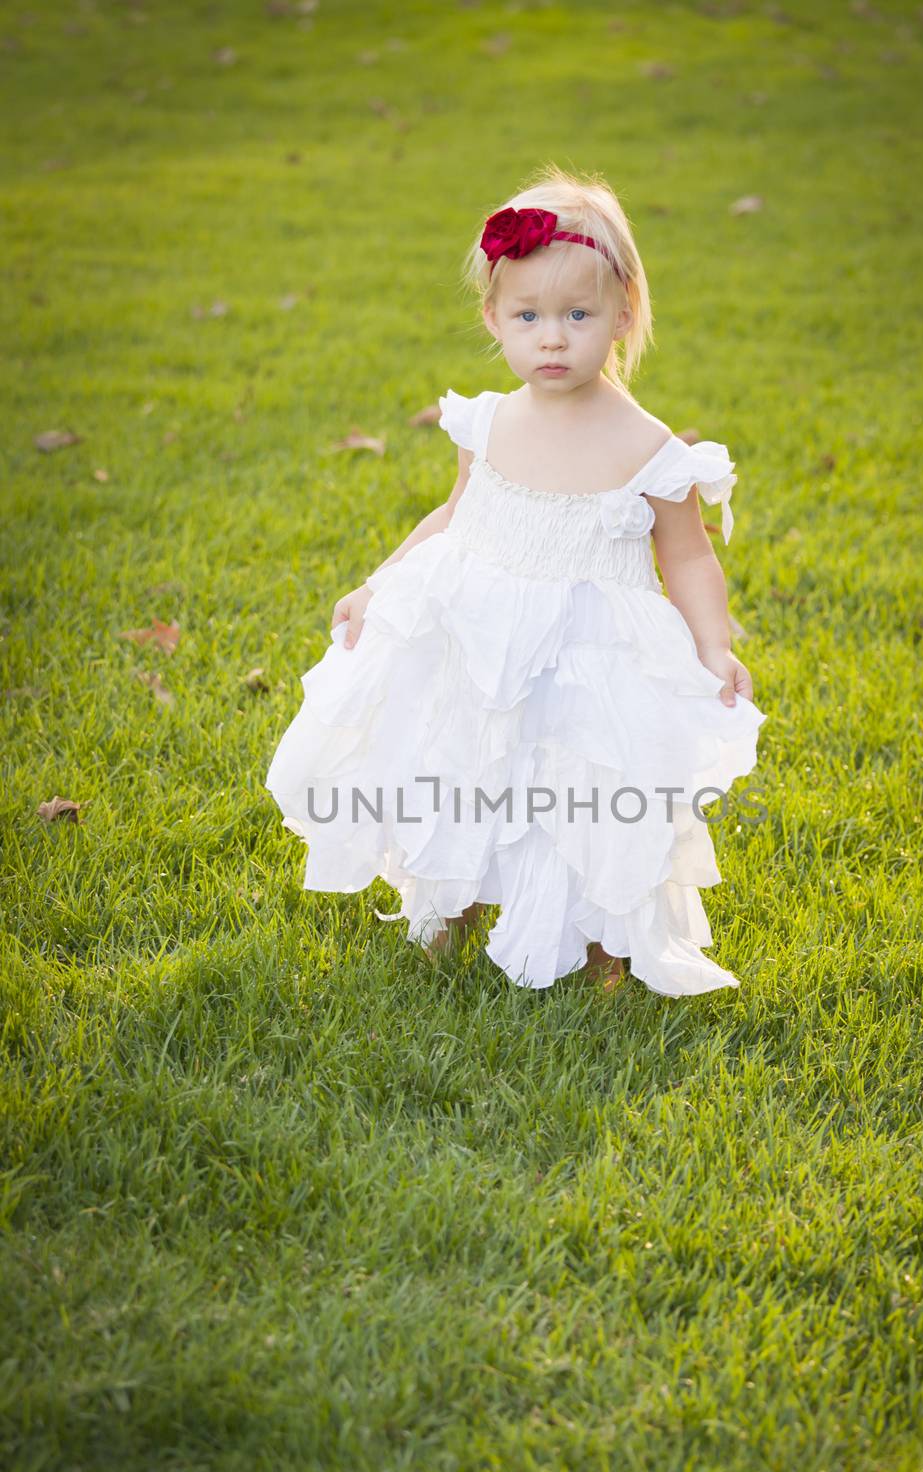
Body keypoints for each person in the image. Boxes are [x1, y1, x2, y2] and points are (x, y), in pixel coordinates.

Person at [264, 163, 768, 997]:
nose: (553, 338)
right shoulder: (488, 421)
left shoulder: (648, 449)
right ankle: (451, 901)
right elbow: (452, 515)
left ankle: (605, 938)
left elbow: (687, 555)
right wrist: (378, 583)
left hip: (590, 651)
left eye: (577, 315)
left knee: (587, 787)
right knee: (463, 764)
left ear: (621, 317)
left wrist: (713, 645)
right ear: (493, 318)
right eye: (528, 316)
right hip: (478, 628)